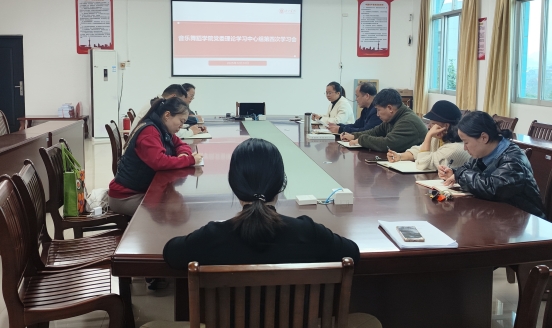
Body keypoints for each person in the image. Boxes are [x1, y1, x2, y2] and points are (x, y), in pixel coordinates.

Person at [163, 138, 360, 267]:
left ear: (234, 183)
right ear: (281, 183)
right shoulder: (309, 232)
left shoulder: (211, 236)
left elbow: (171, 253)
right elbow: (353, 253)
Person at [438, 111, 546, 219]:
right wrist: (454, 173)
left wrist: (460, 175)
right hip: (500, 215)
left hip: (524, 219)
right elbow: (467, 168)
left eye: (466, 142)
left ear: (484, 138)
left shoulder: (513, 160)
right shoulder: (483, 153)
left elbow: (493, 188)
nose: (465, 148)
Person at [108, 97, 203, 216]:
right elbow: (160, 162)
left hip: (140, 190)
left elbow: (181, 144)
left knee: (167, 203)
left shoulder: (163, 128)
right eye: (181, 121)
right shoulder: (150, 132)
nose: (181, 126)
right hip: (126, 197)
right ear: (167, 115)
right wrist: (189, 160)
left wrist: (183, 154)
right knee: (162, 211)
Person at [386, 100, 470, 170]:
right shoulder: (439, 137)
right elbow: (420, 150)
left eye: (433, 123)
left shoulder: (454, 148)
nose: (429, 126)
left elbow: (422, 164)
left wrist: (428, 136)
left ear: (446, 126)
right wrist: (400, 156)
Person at [341, 88, 427, 152]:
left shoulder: (407, 121)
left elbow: (388, 144)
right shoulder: (393, 117)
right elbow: (375, 132)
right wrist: (354, 136)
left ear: (390, 108)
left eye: (378, 110)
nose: (377, 114)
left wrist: (361, 140)